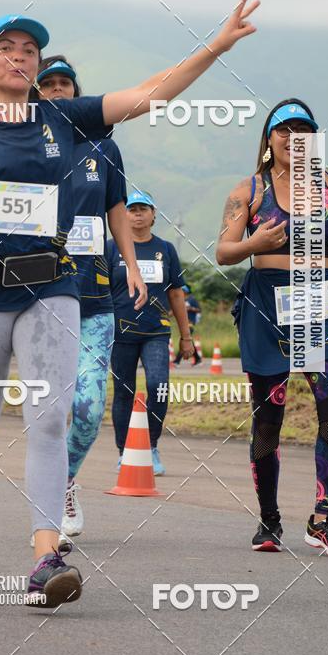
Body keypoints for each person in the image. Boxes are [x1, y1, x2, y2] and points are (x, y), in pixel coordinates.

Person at [0, 0, 258, 605]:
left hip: (52, 285)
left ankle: (45, 557)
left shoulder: (65, 120)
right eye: (5, 49)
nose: (19, 56)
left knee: (49, 417)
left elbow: (151, 93)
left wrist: (218, 44)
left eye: (29, 50)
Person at [216, 99, 328, 557]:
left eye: (303, 130)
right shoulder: (248, 190)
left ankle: (323, 519)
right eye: (283, 130)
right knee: (268, 418)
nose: (293, 137)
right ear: (268, 140)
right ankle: (269, 521)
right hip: (266, 307)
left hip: (319, 304)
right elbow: (224, 252)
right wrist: (256, 241)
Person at [35, 56, 147, 540]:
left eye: (66, 84)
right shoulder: (24, 143)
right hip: (37, 293)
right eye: (49, 84)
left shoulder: (105, 145)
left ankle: (64, 482)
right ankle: (45, 503)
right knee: (53, 406)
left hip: (95, 293)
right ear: (36, 92)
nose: (58, 91)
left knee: (86, 405)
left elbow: (116, 208)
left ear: (78, 93)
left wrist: (133, 265)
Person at [107, 191, 194, 475]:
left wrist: (186, 336)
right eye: (132, 209)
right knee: (123, 392)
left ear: (154, 214)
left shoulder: (166, 249)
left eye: (143, 209)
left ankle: (151, 446)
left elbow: (177, 295)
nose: (138, 214)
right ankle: (124, 452)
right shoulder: (111, 249)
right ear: (124, 215)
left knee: (159, 385)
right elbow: (100, 291)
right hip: (120, 333)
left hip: (156, 331)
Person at [174, 285, 202, 365]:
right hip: (183, 324)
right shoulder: (181, 299)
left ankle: (177, 361)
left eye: (181, 290)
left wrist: (191, 308)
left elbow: (199, 309)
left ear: (185, 291)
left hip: (190, 323)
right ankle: (198, 359)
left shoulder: (192, 299)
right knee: (189, 341)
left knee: (184, 340)